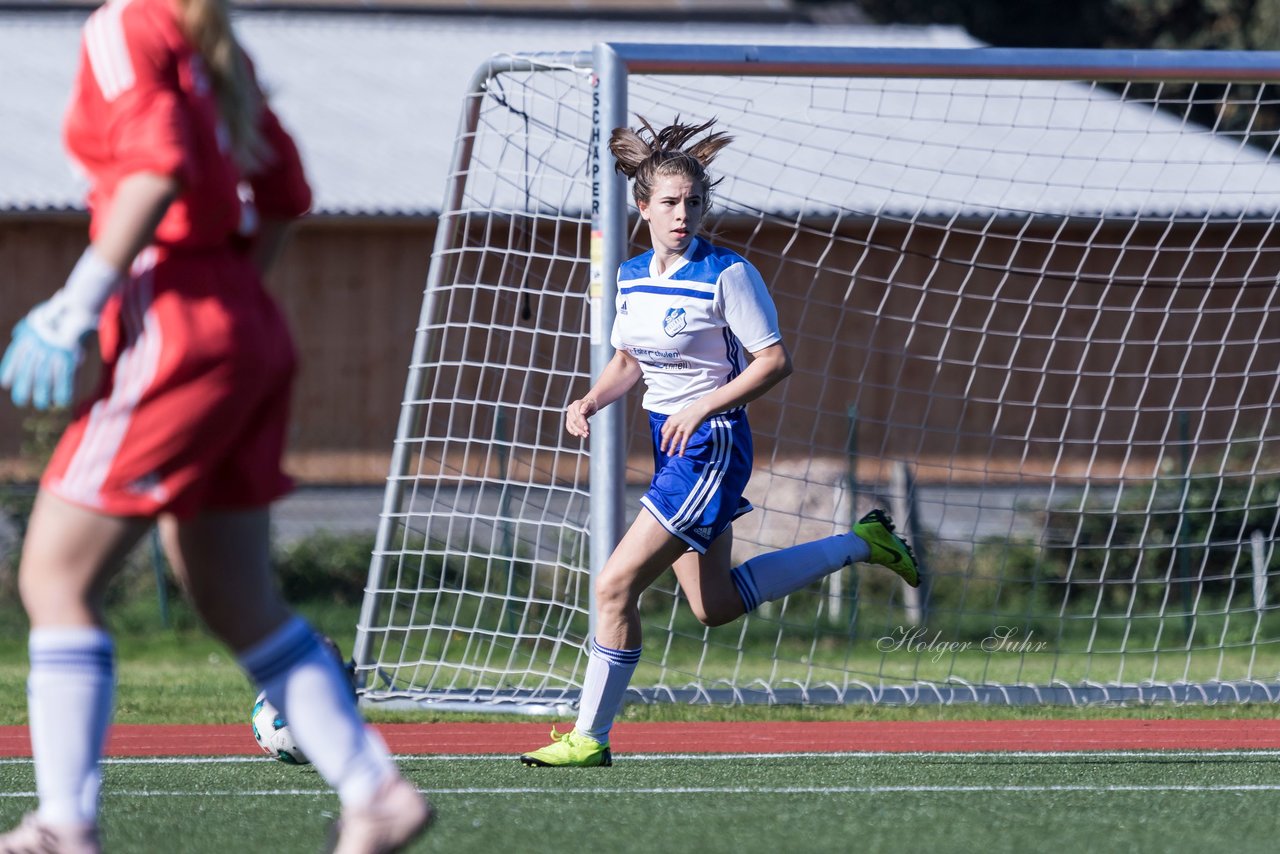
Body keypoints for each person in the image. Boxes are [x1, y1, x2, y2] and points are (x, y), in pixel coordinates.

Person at [0, 0, 431, 851]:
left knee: (52, 578)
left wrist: (73, 307)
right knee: (236, 597)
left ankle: (62, 825)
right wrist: (231, 296)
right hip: (244, 326)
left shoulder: (126, 23)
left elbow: (155, 165)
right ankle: (374, 791)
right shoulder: (206, 36)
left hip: (176, 333)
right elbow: (285, 189)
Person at [519, 117, 920, 769]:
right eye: (670, 202)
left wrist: (704, 405)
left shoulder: (728, 274)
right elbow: (630, 358)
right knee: (715, 605)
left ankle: (588, 737)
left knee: (614, 586)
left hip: (712, 447)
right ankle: (864, 541)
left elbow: (773, 362)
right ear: (643, 206)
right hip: (669, 445)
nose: (683, 214)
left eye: (694, 202)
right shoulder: (631, 277)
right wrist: (591, 398)